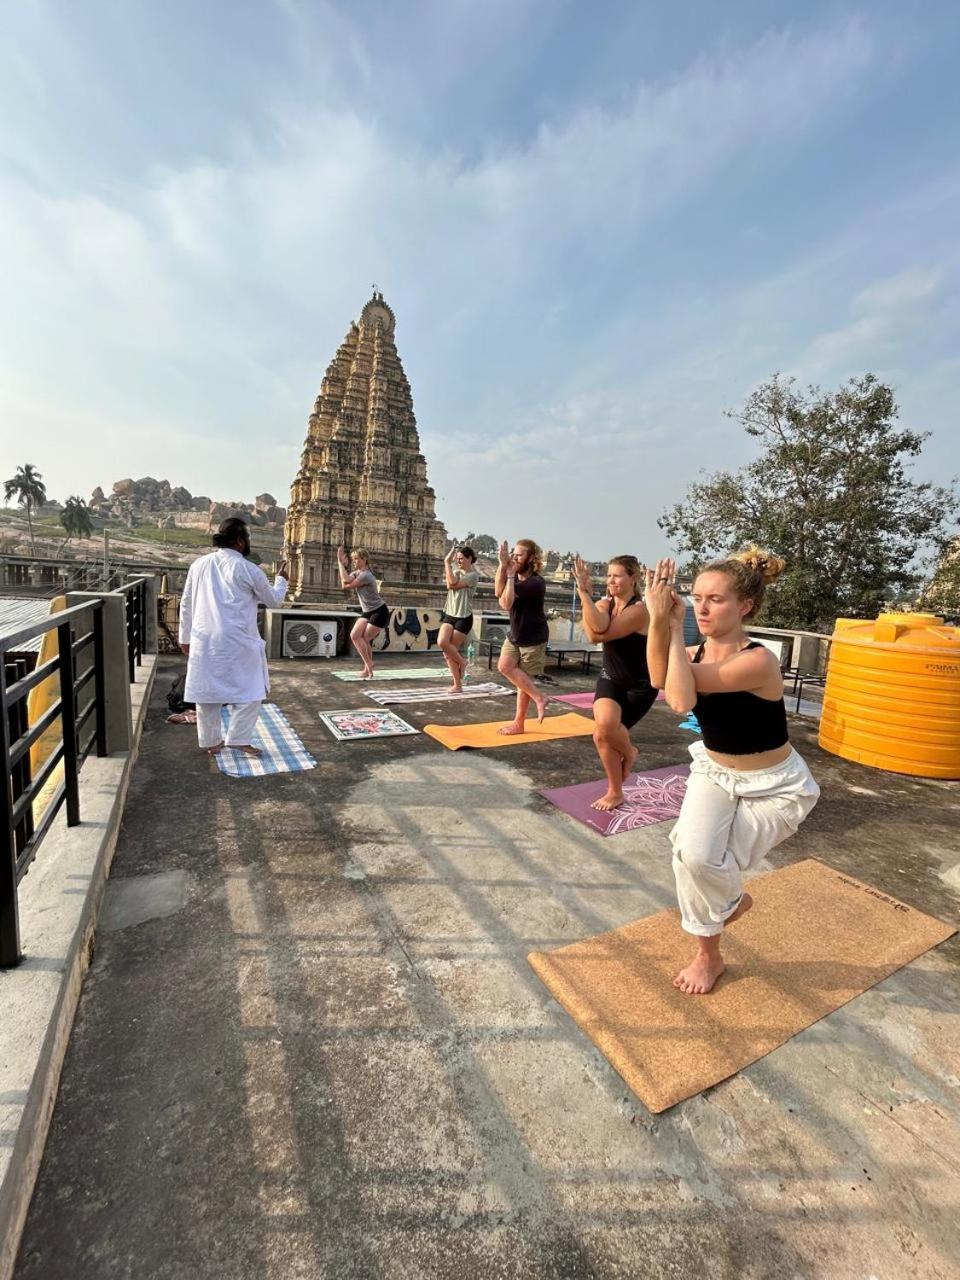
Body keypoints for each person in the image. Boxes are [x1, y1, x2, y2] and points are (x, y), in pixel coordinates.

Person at [645, 549, 819, 995]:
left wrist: (669, 628)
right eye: (697, 597)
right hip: (716, 771)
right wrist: (656, 620)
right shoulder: (692, 652)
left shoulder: (758, 661)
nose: (701, 607)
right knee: (690, 855)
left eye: (716, 599)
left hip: (774, 787)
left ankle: (717, 926)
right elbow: (657, 678)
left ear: (745, 606)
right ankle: (716, 940)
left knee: (703, 861)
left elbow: (681, 698)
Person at [179, 518, 289, 755]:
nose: (248, 542)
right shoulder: (249, 569)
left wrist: (184, 637)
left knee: (206, 693)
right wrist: (282, 580)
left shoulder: (198, 565)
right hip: (238, 640)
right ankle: (238, 738)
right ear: (240, 541)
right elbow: (274, 601)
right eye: (247, 538)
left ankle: (212, 742)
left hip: (203, 639)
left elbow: (186, 604)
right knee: (253, 689)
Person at [574, 553, 657, 811]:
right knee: (603, 729)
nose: (611, 580)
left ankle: (617, 783)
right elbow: (592, 632)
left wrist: (591, 611)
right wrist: (584, 594)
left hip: (640, 684)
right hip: (611, 677)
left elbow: (600, 632)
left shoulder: (640, 611)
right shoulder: (604, 603)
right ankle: (626, 763)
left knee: (602, 735)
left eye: (617, 575)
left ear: (633, 577)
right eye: (608, 575)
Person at [495, 538, 549, 734]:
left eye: (519, 555)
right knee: (505, 667)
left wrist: (509, 576)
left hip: (533, 639)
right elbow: (498, 593)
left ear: (531, 558)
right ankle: (539, 697)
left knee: (522, 682)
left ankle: (519, 723)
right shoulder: (515, 579)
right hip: (515, 635)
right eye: (513, 554)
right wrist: (502, 566)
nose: (515, 558)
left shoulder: (536, 582)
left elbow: (506, 603)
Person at [337, 546, 389, 678]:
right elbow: (345, 583)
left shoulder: (366, 575)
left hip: (379, 611)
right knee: (355, 636)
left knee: (365, 638)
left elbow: (349, 584)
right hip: (367, 611)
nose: (354, 562)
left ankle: (368, 667)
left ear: (364, 559)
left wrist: (342, 568)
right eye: (353, 559)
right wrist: (341, 564)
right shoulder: (357, 573)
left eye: (357, 559)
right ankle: (369, 666)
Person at [438, 544, 480, 691]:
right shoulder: (455, 571)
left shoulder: (473, 576)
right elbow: (450, 584)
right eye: (457, 558)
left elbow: (454, 585)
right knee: (442, 643)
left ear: (469, 559)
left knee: (449, 652)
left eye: (461, 558)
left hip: (464, 617)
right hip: (450, 614)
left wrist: (447, 564)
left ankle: (457, 685)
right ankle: (463, 662)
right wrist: (447, 563)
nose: (459, 561)